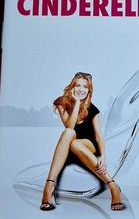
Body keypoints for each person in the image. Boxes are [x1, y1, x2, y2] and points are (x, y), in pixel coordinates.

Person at [40, 73, 124, 211]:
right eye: (78, 85)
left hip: (88, 144)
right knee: (69, 133)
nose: (81, 89)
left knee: (75, 143)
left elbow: (98, 136)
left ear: (89, 90)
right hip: (70, 143)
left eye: (85, 87)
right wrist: (77, 103)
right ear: (72, 87)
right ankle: (49, 185)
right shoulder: (62, 103)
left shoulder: (92, 108)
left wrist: (103, 156)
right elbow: (70, 126)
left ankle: (112, 186)